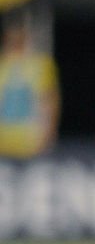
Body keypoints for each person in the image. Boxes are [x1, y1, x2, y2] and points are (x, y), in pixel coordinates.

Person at [0, 9, 60, 158]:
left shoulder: (39, 65)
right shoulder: (3, 64)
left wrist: (47, 137)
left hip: (31, 144)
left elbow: (50, 101)